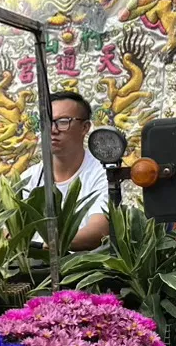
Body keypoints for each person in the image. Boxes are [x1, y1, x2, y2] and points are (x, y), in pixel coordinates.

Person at [20, 91, 111, 250]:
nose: (53, 130)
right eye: (47, 121)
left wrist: (53, 246)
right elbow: (10, 230)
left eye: (63, 121)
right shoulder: (29, 177)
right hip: (33, 269)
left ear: (85, 127)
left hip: (84, 269)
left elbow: (99, 231)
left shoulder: (103, 173)